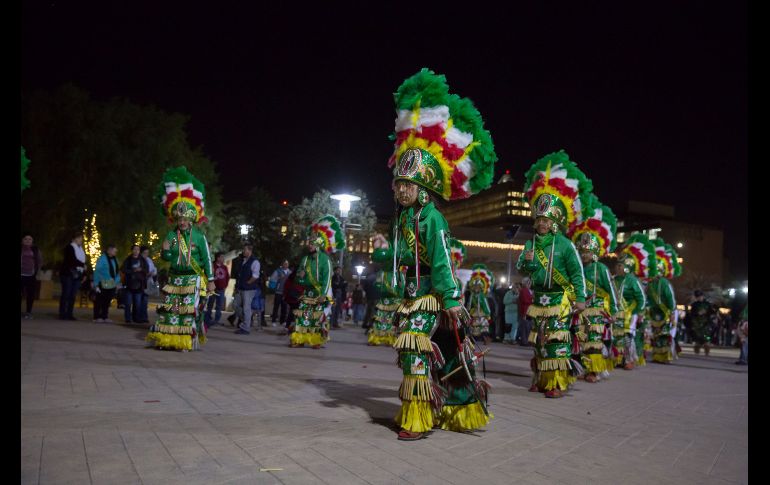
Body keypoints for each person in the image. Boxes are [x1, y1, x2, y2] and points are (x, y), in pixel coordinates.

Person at [372, 69, 497, 439]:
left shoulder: (432, 220)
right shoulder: (407, 219)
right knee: (431, 356)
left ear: (423, 186)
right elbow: (399, 255)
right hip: (412, 297)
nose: (400, 191)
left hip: (430, 297)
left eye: (406, 185)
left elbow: (441, 261)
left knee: (414, 354)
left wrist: (451, 299)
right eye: (398, 185)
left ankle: (418, 418)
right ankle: (443, 409)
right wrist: (382, 254)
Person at [517, 150, 591, 398]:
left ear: (555, 222)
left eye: (546, 221)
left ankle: (557, 382)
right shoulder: (531, 245)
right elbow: (521, 268)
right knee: (539, 341)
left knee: (556, 339)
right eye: (539, 220)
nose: (541, 224)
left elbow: (577, 273)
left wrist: (580, 297)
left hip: (560, 298)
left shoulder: (565, 245)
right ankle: (540, 378)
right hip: (539, 300)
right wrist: (526, 263)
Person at [146, 167, 215, 351]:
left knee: (188, 311)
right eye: (180, 219)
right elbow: (167, 257)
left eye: (185, 219)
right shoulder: (171, 235)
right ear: (176, 219)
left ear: (191, 219)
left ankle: (185, 341)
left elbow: (207, 260)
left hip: (193, 279)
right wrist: (165, 251)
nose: (182, 222)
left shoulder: (199, 237)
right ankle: (169, 339)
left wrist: (211, 280)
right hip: (174, 278)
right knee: (172, 310)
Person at [567, 195, 620, 383]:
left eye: (588, 251)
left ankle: (594, 371)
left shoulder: (602, 269)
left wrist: (614, 311)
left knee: (593, 341)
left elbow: (612, 291)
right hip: (579, 309)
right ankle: (580, 367)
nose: (585, 254)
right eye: (582, 251)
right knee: (578, 339)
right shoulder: (576, 267)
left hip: (596, 310)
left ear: (595, 252)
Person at [290, 215, 342, 348]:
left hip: (320, 293)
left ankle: (317, 340)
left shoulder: (325, 260)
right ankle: (300, 339)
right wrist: (300, 277)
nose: (309, 245)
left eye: (312, 243)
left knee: (318, 318)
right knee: (303, 317)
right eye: (309, 242)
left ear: (318, 244)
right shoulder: (305, 259)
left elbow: (327, 279)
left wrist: (324, 294)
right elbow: (297, 279)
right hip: (307, 293)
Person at [613, 234, 652, 370]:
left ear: (626, 267)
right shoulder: (613, 279)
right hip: (616, 312)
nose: (617, 268)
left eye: (620, 265)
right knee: (616, 336)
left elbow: (641, 298)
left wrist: (638, 312)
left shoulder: (632, 280)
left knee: (628, 335)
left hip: (631, 312)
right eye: (617, 265)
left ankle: (628, 359)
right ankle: (617, 358)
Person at [647, 239, 681, 364]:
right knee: (657, 335)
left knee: (666, 335)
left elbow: (670, 298)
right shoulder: (651, 284)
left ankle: (666, 356)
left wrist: (672, 313)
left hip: (667, 312)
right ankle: (657, 356)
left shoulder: (664, 283)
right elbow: (650, 300)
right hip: (656, 313)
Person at [367, 266, 403, 346]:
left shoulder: (398, 273)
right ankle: (375, 338)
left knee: (392, 320)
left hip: (394, 301)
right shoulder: (382, 272)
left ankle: (390, 339)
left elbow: (402, 287)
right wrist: (384, 288)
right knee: (380, 318)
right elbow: (377, 284)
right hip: (383, 300)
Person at [234, 244, 261, 335]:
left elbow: (255, 275)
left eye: (244, 250)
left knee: (246, 307)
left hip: (249, 289)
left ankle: (246, 328)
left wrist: (248, 283)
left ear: (249, 251)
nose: (243, 251)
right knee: (236, 305)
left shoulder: (255, 262)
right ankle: (247, 319)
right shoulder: (243, 260)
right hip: (240, 288)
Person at [59, 233, 86, 320]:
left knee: (73, 295)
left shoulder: (81, 250)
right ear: (73, 239)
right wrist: (82, 265)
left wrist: (84, 273)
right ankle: (63, 313)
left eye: (81, 238)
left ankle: (69, 313)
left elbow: (83, 262)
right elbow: (71, 260)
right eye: (79, 238)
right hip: (68, 273)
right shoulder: (70, 247)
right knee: (66, 294)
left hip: (77, 274)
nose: (81, 240)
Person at [467, 264, 495, 346]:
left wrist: (488, 313)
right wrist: (468, 311)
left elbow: (485, 305)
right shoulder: (472, 295)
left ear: (480, 287)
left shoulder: (482, 295)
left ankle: (486, 339)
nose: (476, 288)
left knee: (483, 327)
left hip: (482, 312)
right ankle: (472, 341)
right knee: (472, 327)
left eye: (477, 286)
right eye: (474, 286)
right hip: (474, 312)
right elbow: (469, 304)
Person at [92, 244, 121, 322]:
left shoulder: (115, 259)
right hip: (102, 282)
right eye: (114, 251)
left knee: (107, 300)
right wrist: (96, 284)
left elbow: (117, 271)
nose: (115, 252)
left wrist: (116, 281)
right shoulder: (102, 259)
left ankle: (105, 316)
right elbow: (97, 271)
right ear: (109, 250)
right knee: (99, 300)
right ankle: (97, 316)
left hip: (111, 283)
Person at [122, 245, 149, 323]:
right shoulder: (128, 259)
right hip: (129, 284)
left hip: (139, 285)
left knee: (137, 303)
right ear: (132, 250)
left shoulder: (142, 260)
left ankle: (136, 318)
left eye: (138, 249)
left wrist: (141, 269)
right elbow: (123, 269)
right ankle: (128, 318)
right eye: (135, 249)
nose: (136, 251)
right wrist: (133, 270)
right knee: (128, 303)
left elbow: (146, 270)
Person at [21, 234, 43, 319]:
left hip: (31, 275)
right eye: (25, 239)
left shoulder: (35, 249)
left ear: (32, 241)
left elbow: (40, 260)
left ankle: (28, 312)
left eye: (29, 239)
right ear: (22, 240)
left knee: (30, 294)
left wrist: (37, 271)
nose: (27, 240)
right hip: (21, 274)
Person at [204, 252, 229, 327]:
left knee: (219, 305)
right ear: (217, 258)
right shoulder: (213, 266)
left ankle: (216, 320)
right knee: (210, 304)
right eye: (222, 257)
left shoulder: (224, 267)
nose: (223, 259)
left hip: (221, 289)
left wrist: (225, 285)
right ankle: (207, 319)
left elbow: (227, 277)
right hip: (213, 289)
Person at [689, 289, 715, 356]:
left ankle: (707, 353)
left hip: (706, 323)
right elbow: (691, 314)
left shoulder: (708, 304)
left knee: (707, 339)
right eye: (697, 297)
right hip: (697, 324)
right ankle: (697, 353)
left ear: (702, 296)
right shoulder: (694, 305)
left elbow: (712, 312)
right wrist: (698, 313)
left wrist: (707, 313)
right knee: (697, 340)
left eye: (700, 296)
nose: (699, 298)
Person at [269, 260, 291, 326]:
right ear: (282, 264)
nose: (286, 265)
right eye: (284, 263)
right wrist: (279, 278)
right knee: (276, 307)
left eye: (287, 263)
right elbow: (272, 279)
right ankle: (273, 321)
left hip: (285, 293)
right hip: (278, 291)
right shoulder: (277, 271)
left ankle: (283, 321)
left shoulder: (290, 272)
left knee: (284, 307)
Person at [517, 278, 533, 346]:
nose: (529, 284)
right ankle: (524, 341)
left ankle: (526, 340)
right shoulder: (523, 290)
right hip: (525, 310)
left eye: (530, 283)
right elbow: (525, 300)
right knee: (524, 327)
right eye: (528, 283)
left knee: (528, 327)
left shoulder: (529, 290)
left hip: (529, 310)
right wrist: (532, 300)